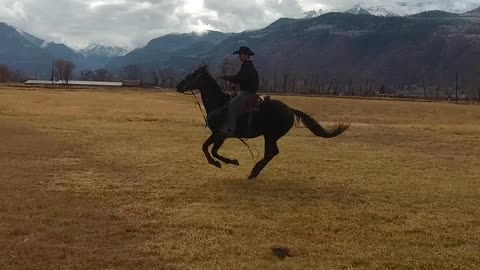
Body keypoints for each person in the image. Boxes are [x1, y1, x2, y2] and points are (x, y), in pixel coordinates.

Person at [218, 46, 259, 137]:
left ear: (246, 55)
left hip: (248, 93)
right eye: (239, 55)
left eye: (241, 55)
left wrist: (225, 77)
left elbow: (238, 78)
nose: (239, 57)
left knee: (231, 105)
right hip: (245, 91)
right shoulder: (246, 65)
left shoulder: (247, 66)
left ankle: (230, 129)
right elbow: (239, 78)